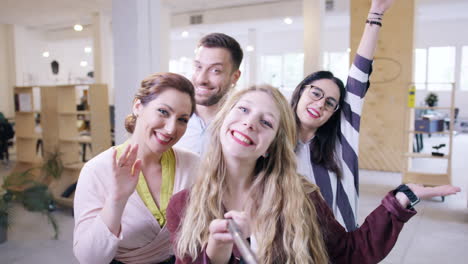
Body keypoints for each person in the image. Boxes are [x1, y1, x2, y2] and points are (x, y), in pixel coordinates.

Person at [166, 85, 460, 264]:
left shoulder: (300, 197)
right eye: (243, 110)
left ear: (271, 147)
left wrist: (399, 201)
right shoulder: (183, 206)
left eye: (266, 122)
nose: (250, 123)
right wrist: (215, 256)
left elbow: (350, 253)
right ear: (224, 120)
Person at [290, 0, 396, 231]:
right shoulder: (272, 142)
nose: (319, 104)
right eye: (315, 93)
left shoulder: (341, 142)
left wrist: (375, 13)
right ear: (300, 92)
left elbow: (359, 75)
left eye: (330, 102)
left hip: (337, 249)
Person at [73, 72, 200, 264]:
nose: (170, 129)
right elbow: (90, 259)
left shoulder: (193, 164)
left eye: (182, 119)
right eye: (163, 112)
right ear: (138, 106)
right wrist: (117, 199)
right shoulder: (96, 170)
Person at [174, 33, 243, 155]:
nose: (201, 79)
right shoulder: (171, 118)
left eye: (215, 70)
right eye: (198, 67)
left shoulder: (241, 125)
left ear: (235, 77)